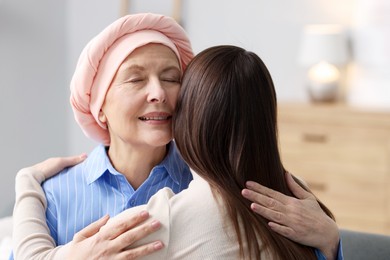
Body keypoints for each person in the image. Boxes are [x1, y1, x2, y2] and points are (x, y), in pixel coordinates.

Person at [11, 13, 342, 260]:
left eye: (171, 78)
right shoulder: (53, 195)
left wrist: (331, 240)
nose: (158, 93)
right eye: (135, 80)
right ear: (99, 107)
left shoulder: (216, 190)